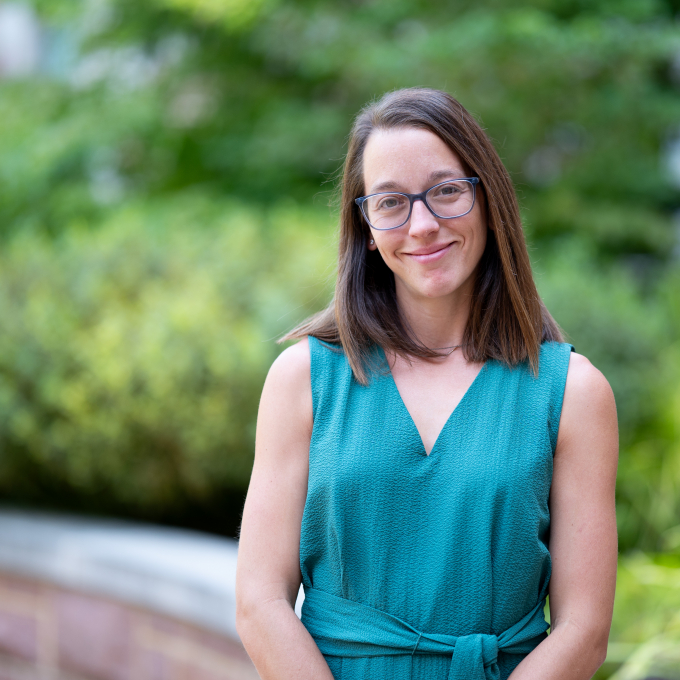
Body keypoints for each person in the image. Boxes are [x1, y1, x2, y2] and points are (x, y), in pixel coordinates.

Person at [235, 88, 618, 680]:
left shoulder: (571, 394)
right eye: (390, 202)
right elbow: (259, 602)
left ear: (487, 199)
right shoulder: (303, 380)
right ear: (364, 227)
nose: (422, 225)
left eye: (445, 192)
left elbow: (584, 630)